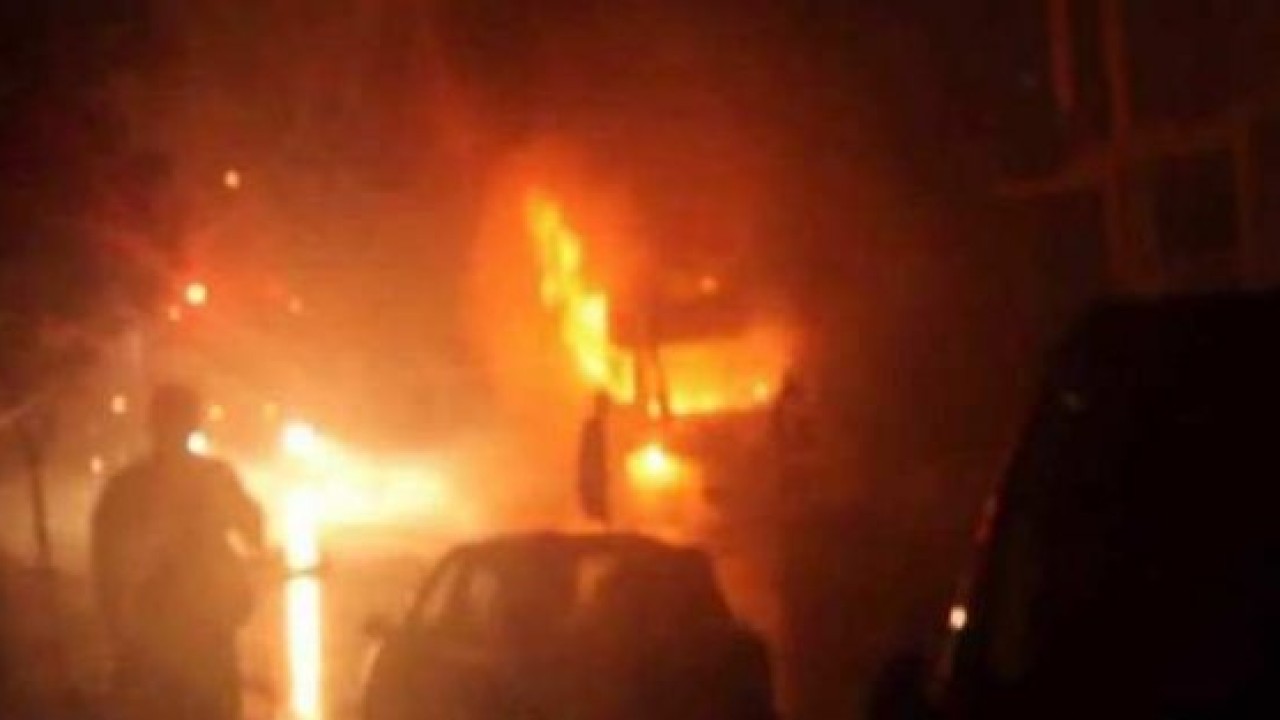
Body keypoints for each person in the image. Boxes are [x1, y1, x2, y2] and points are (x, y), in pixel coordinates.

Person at [91, 383, 264, 720]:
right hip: (206, 626)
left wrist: (117, 629)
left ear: (152, 424)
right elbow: (253, 530)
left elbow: (105, 565)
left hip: (154, 628)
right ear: (194, 424)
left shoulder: (126, 486)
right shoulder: (214, 476)